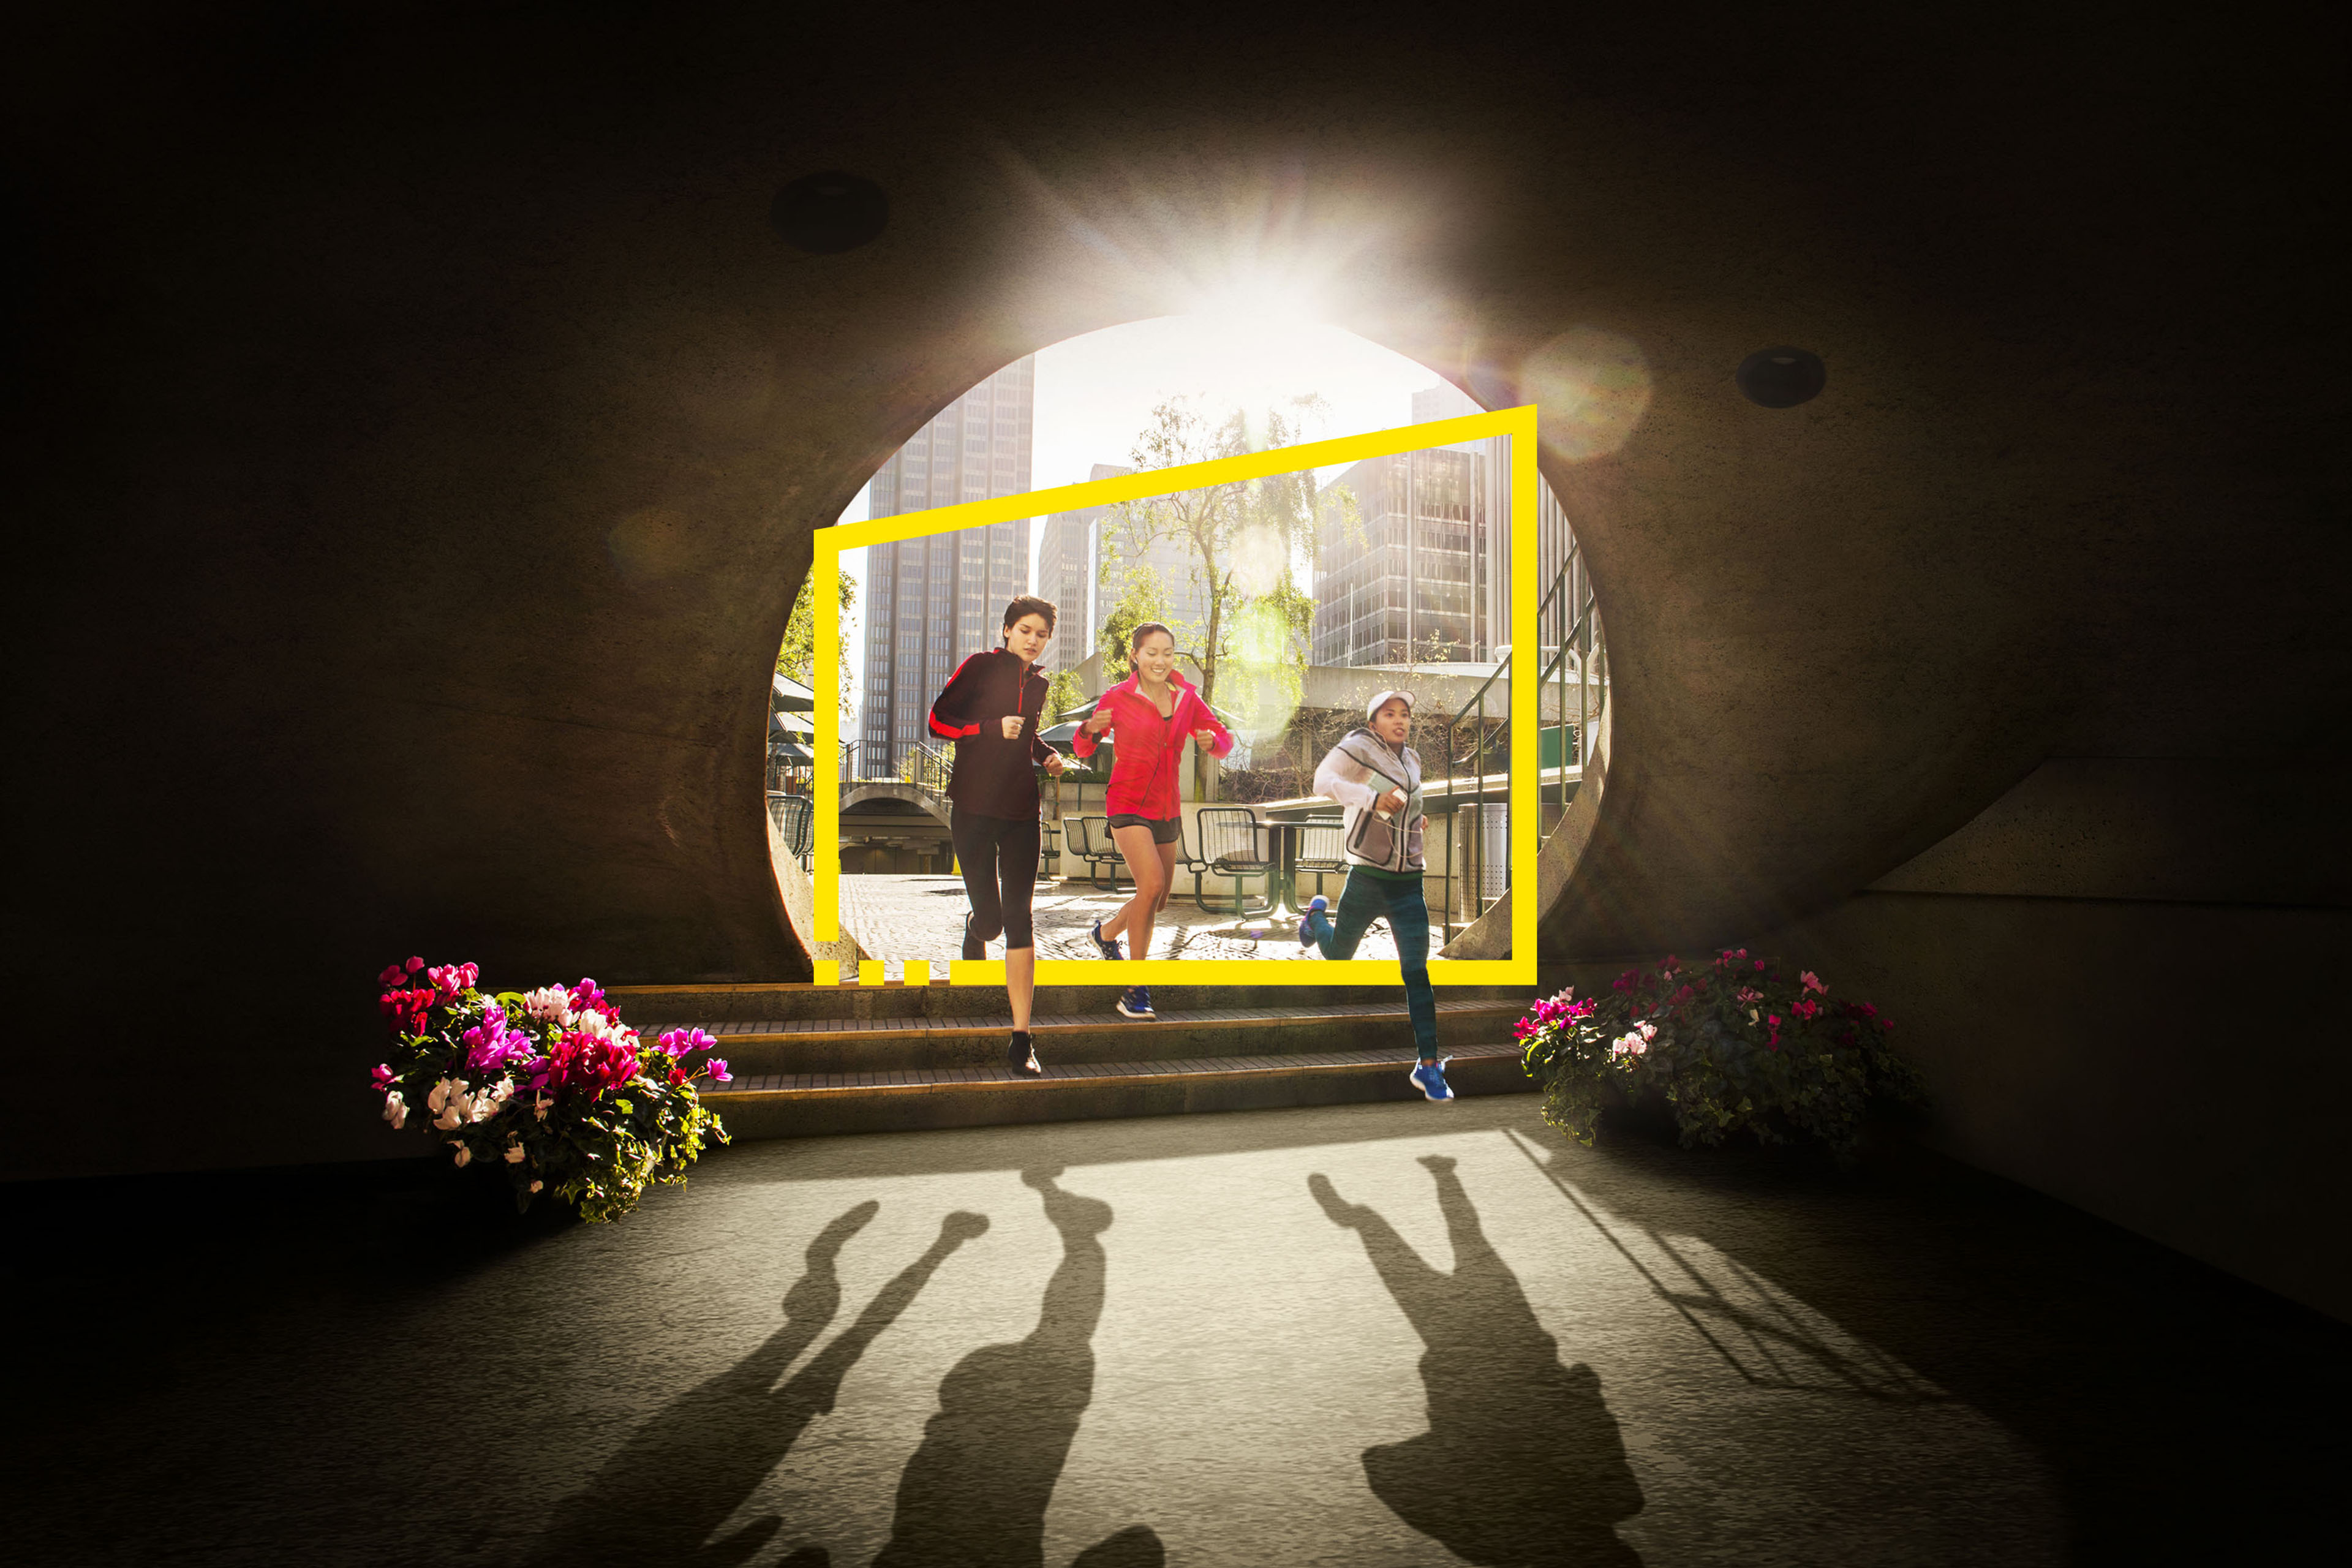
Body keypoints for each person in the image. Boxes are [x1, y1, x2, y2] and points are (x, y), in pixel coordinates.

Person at [929, 595, 1069, 1075]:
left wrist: (1046, 753)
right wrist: (988, 728)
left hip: (1019, 812)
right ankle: (975, 929)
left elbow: (1025, 735)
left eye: (1042, 634)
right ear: (1007, 630)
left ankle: (1022, 1038)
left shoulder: (1041, 684)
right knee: (991, 921)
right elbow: (937, 722)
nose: (1033, 640)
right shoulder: (979, 667)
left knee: (1019, 917)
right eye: (1025, 630)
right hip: (972, 809)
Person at [1071, 621, 1233, 1020]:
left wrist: (1215, 742)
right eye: (1151, 653)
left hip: (1167, 809)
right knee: (1154, 884)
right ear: (1136, 657)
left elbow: (1222, 739)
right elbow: (1082, 744)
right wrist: (1090, 728)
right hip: (1127, 804)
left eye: (1167, 653)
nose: (1160, 660)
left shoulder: (1187, 698)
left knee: (1156, 901)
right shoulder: (1119, 696)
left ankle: (1105, 935)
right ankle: (1135, 988)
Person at [1297, 691, 1452, 1101]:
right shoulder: (1357, 747)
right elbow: (1322, 782)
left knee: (1417, 973)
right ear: (1374, 722)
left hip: (1408, 885)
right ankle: (1315, 920)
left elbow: (1408, 802)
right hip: (1366, 877)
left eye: (1405, 714)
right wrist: (1371, 798)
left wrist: (1419, 819)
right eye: (1390, 714)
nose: (1400, 720)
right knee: (1338, 955)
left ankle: (1429, 1065)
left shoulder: (1413, 759)